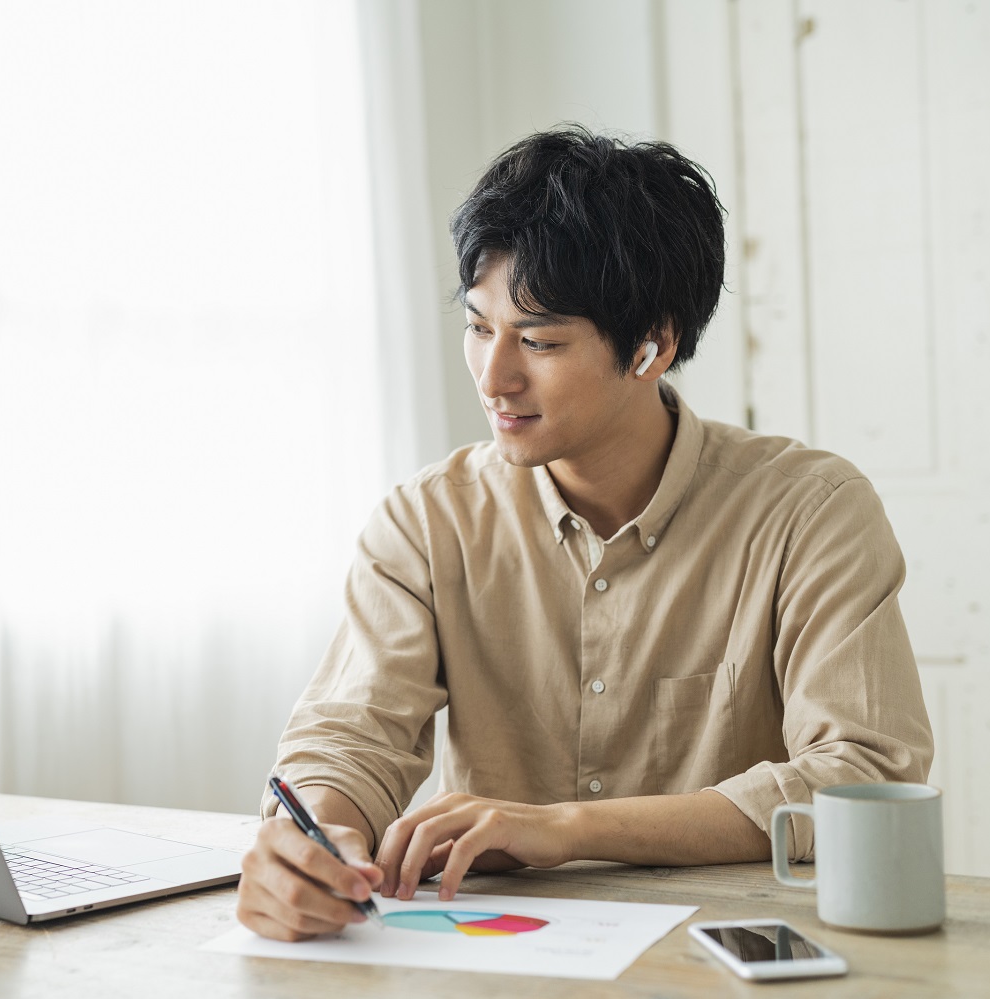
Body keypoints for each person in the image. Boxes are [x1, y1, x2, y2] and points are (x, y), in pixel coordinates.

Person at [235, 125, 934, 942]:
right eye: (478, 327)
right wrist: (318, 838)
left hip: (730, 951)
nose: (494, 377)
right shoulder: (426, 521)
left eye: (538, 341)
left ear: (652, 346)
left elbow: (862, 772)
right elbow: (349, 737)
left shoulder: (811, 511)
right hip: (494, 953)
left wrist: (566, 828)